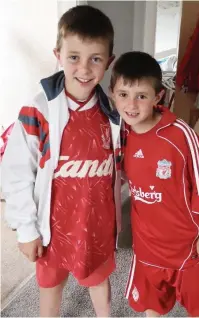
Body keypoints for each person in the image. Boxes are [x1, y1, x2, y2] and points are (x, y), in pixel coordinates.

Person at [1, 5, 123, 317]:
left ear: (108, 62)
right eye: (74, 57)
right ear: (58, 55)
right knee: (51, 287)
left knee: (99, 282)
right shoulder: (38, 109)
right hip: (52, 229)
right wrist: (26, 230)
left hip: (96, 225)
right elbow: (16, 174)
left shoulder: (114, 112)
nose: (84, 68)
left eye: (95, 59)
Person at [109, 51, 199, 317]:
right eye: (123, 94)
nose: (131, 105)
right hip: (147, 245)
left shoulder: (181, 135)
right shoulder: (119, 133)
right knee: (151, 308)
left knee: (198, 309)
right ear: (113, 93)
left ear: (158, 97)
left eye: (142, 96)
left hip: (187, 245)